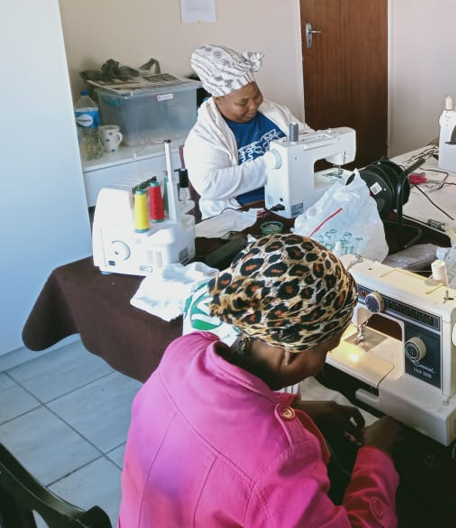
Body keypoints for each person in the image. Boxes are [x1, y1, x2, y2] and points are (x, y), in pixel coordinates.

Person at [120, 234, 403, 527]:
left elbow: (220, 418)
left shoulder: (185, 351)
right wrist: (376, 457)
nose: (320, 367)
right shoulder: (281, 457)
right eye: (326, 350)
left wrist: (298, 411)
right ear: (291, 352)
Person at [185, 44, 312, 218]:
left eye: (257, 95)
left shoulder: (273, 111)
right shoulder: (203, 137)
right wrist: (279, 161)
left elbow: (309, 137)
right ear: (218, 99)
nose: (253, 106)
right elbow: (210, 186)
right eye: (243, 103)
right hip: (242, 214)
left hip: (292, 200)